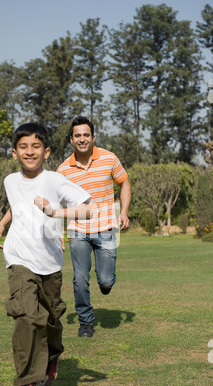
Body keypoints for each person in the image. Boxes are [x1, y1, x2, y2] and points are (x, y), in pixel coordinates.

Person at [0, 123, 92, 386]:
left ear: (46, 151)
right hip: (18, 258)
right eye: (23, 147)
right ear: (14, 153)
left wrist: (55, 212)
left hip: (49, 262)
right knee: (26, 316)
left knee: (50, 320)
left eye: (36, 146)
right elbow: (18, 204)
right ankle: (28, 385)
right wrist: (2, 223)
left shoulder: (55, 180)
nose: (29, 151)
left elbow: (88, 208)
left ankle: (52, 355)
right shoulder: (10, 180)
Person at [57, 116, 131, 338]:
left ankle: (105, 283)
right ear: (71, 139)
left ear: (93, 137)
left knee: (106, 280)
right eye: (77, 135)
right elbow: (56, 204)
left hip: (107, 227)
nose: (82, 139)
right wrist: (57, 231)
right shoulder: (63, 170)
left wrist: (124, 211)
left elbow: (124, 182)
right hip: (77, 230)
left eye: (86, 135)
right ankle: (85, 322)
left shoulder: (109, 158)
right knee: (80, 278)